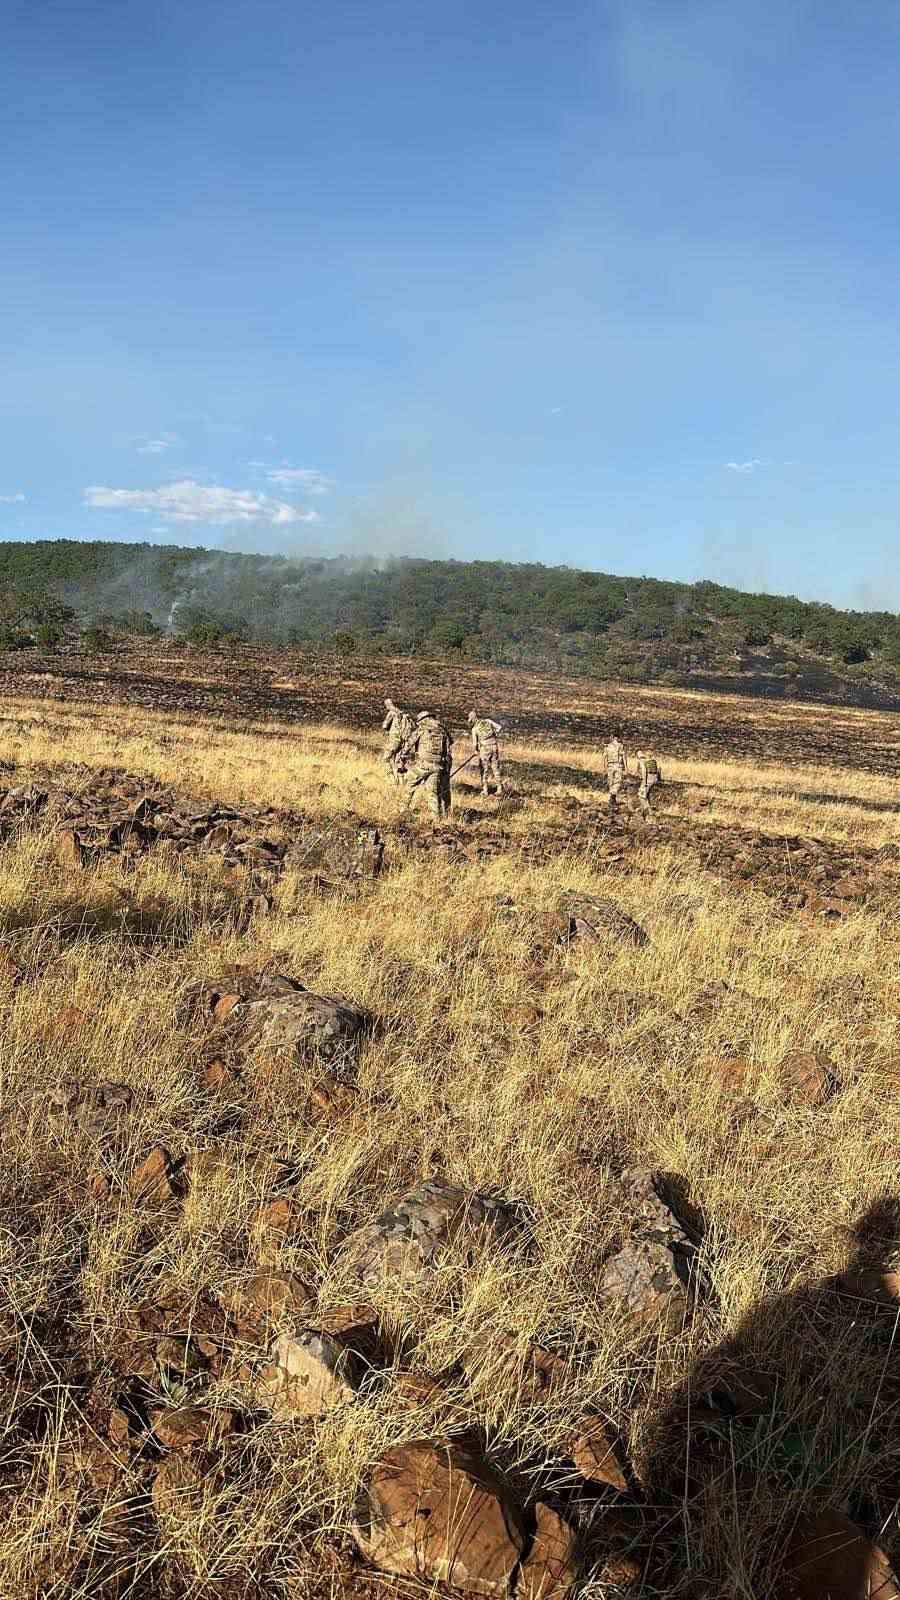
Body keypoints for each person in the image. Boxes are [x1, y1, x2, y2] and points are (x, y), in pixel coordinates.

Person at [401, 711, 452, 819]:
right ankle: (436, 818)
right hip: (438, 765)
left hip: (423, 765)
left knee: (410, 784)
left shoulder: (422, 728)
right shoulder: (442, 729)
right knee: (432, 793)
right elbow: (449, 746)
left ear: (423, 719)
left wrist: (403, 755)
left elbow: (410, 743)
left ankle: (402, 810)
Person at [467, 711, 504, 797]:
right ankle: (499, 789)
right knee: (495, 767)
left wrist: (476, 751)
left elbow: (475, 744)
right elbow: (499, 728)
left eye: (471, 721)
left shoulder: (474, 729)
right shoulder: (488, 721)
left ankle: (485, 790)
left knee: (484, 769)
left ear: (473, 719)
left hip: (484, 749)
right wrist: (494, 734)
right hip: (494, 746)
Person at [381, 697, 414, 785]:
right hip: (404, 742)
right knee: (399, 762)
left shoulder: (392, 713)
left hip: (394, 740)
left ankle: (391, 781)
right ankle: (402, 784)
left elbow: (384, 726)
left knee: (385, 759)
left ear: (388, 705)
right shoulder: (404, 715)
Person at [603, 734, 627, 813]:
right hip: (617, 765)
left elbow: (604, 758)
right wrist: (626, 767)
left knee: (611, 782)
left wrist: (605, 767)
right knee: (617, 782)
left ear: (612, 737)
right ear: (617, 737)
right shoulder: (620, 746)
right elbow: (624, 756)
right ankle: (612, 797)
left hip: (610, 765)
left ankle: (612, 797)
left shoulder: (607, 746)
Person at [635, 749, 661, 818]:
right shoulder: (652, 760)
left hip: (648, 779)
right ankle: (646, 810)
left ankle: (649, 813)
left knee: (641, 796)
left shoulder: (642, 761)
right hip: (654, 779)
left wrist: (644, 782)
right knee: (647, 795)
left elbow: (644, 771)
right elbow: (658, 770)